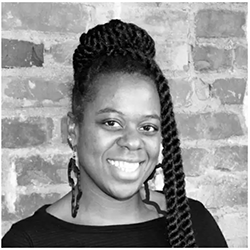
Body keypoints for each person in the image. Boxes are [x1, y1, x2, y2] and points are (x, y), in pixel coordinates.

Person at [2, 19, 228, 247]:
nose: (132, 142)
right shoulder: (29, 242)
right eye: (112, 122)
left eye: (147, 127)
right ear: (73, 130)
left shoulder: (192, 223)